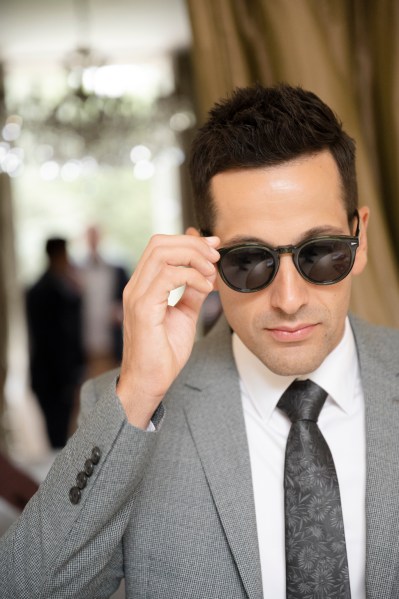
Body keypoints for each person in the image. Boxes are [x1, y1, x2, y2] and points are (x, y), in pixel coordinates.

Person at [1, 83, 398, 599]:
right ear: (201, 256)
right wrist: (139, 391)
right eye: (249, 260)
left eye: (320, 252)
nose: (289, 298)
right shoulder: (126, 410)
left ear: (359, 240)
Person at [25, 237, 85, 448]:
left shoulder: (45, 288)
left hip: (52, 376)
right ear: (59, 255)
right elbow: (57, 339)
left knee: (59, 436)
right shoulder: (47, 291)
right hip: (53, 378)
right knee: (58, 438)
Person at [79, 225, 129, 379]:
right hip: (85, 342)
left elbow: (127, 300)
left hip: (111, 341)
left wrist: (120, 311)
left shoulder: (117, 270)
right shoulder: (76, 271)